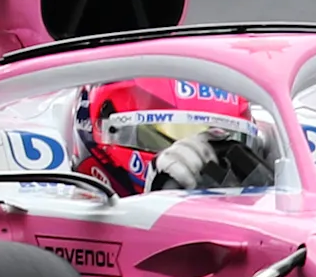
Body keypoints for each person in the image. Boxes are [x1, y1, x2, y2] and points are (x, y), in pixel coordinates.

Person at [74, 76, 276, 196]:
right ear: (108, 131)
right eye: (174, 131)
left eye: (221, 138)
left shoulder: (277, 139)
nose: (200, 153)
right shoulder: (48, 185)